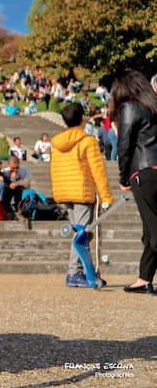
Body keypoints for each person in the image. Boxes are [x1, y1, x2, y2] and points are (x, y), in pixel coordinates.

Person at [50, 101, 114, 288]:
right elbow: (98, 172)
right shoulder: (88, 141)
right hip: (82, 191)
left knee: (79, 233)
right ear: (83, 118)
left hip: (64, 192)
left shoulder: (56, 143)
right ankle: (74, 272)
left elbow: (55, 169)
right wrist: (107, 197)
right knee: (81, 235)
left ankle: (84, 271)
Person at [112, 71, 157, 294]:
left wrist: (123, 178)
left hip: (145, 171)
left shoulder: (129, 107)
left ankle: (144, 278)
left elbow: (124, 147)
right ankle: (144, 277)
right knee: (151, 230)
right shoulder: (154, 106)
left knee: (154, 229)